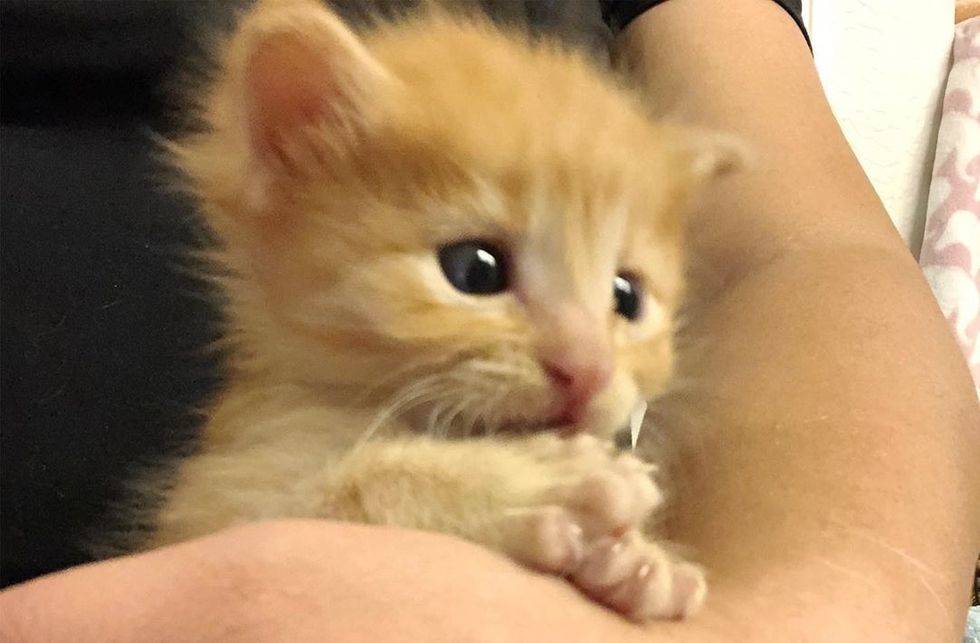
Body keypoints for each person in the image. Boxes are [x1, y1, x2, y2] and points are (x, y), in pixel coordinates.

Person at [2, 0, 977, 640]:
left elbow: (805, 252)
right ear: (291, 146)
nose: (587, 357)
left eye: (625, 299)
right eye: (477, 269)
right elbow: (232, 523)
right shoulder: (284, 437)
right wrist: (443, 499)